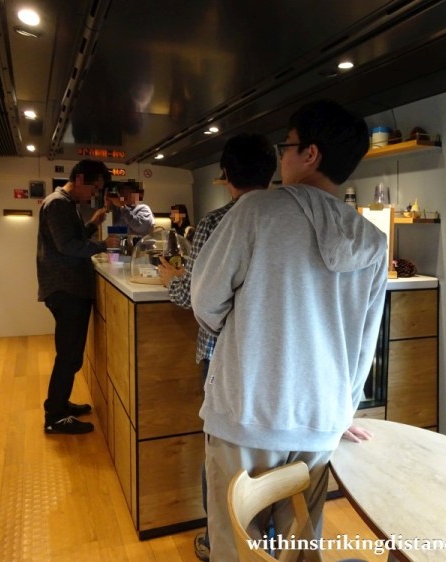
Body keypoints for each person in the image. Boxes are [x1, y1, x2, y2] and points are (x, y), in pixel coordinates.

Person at [190, 100, 388, 561]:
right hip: (319, 423)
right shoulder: (372, 241)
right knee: (301, 548)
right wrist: (342, 411)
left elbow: (205, 302)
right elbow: (365, 343)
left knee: (237, 547)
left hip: (247, 413)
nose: (282, 155)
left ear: (310, 154)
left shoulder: (257, 210)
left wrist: (238, 322)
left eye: (288, 145)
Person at [157, 132, 277, 561]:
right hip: (274, 354)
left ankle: (218, 538)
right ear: (272, 171)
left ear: (225, 174)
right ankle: (270, 533)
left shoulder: (215, 222)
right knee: (270, 447)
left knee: (223, 449)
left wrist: (169, 280)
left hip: (221, 352)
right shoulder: (286, 218)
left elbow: (192, 296)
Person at [37, 159, 120, 435]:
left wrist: (92, 224)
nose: (93, 195)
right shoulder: (58, 204)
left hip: (68, 289)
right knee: (69, 356)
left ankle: (59, 404)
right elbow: (68, 247)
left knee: (70, 355)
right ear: (81, 178)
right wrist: (103, 245)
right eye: (94, 188)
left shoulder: (65, 203)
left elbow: (72, 239)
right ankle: (55, 417)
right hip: (66, 290)